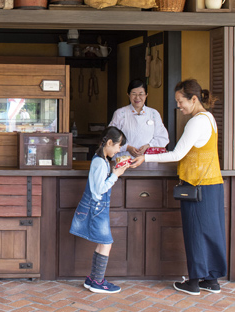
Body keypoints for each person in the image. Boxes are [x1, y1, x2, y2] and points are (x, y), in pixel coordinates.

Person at [131, 79, 226, 296]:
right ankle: (211, 279)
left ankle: (193, 282)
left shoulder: (195, 122)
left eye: (180, 101)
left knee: (195, 232)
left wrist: (145, 158)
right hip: (211, 184)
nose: (179, 106)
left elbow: (177, 154)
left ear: (194, 99)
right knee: (210, 232)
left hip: (197, 185)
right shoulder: (209, 118)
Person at [69, 126, 130, 294]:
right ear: (109, 143)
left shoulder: (101, 160)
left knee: (103, 243)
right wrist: (115, 175)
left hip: (98, 209)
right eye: (118, 146)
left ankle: (93, 279)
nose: (118, 150)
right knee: (106, 243)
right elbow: (98, 190)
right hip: (96, 209)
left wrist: (115, 171)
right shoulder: (99, 162)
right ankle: (97, 281)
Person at [109, 79, 169, 158]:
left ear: (146, 95)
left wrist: (148, 146)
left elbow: (163, 138)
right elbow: (111, 136)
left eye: (141, 94)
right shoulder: (120, 113)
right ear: (128, 95)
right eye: (134, 94)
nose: (137, 97)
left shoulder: (154, 114)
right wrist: (127, 147)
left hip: (147, 159)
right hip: (123, 159)